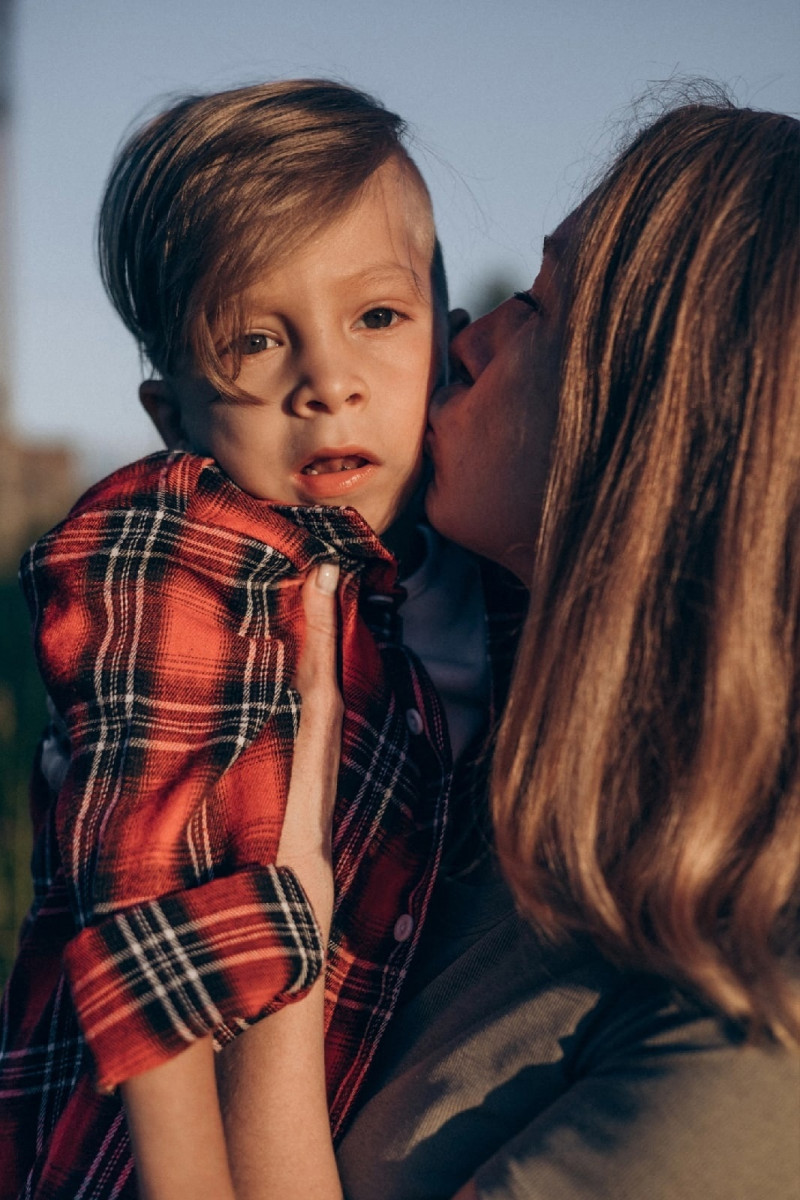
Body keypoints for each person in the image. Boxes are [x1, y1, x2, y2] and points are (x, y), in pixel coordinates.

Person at [224, 98, 800, 1198]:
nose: (465, 341)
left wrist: (273, 951)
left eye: (536, 306)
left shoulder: (755, 1005)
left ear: (662, 407)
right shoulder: (480, 748)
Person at [0, 80, 515, 1199]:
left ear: (449, 341)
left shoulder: (465, 574)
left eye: (377, 319)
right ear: (172, 414)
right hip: (141, 1161)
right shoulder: (180, 555)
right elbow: (146, 941)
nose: (326, 383)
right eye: (253, 339)